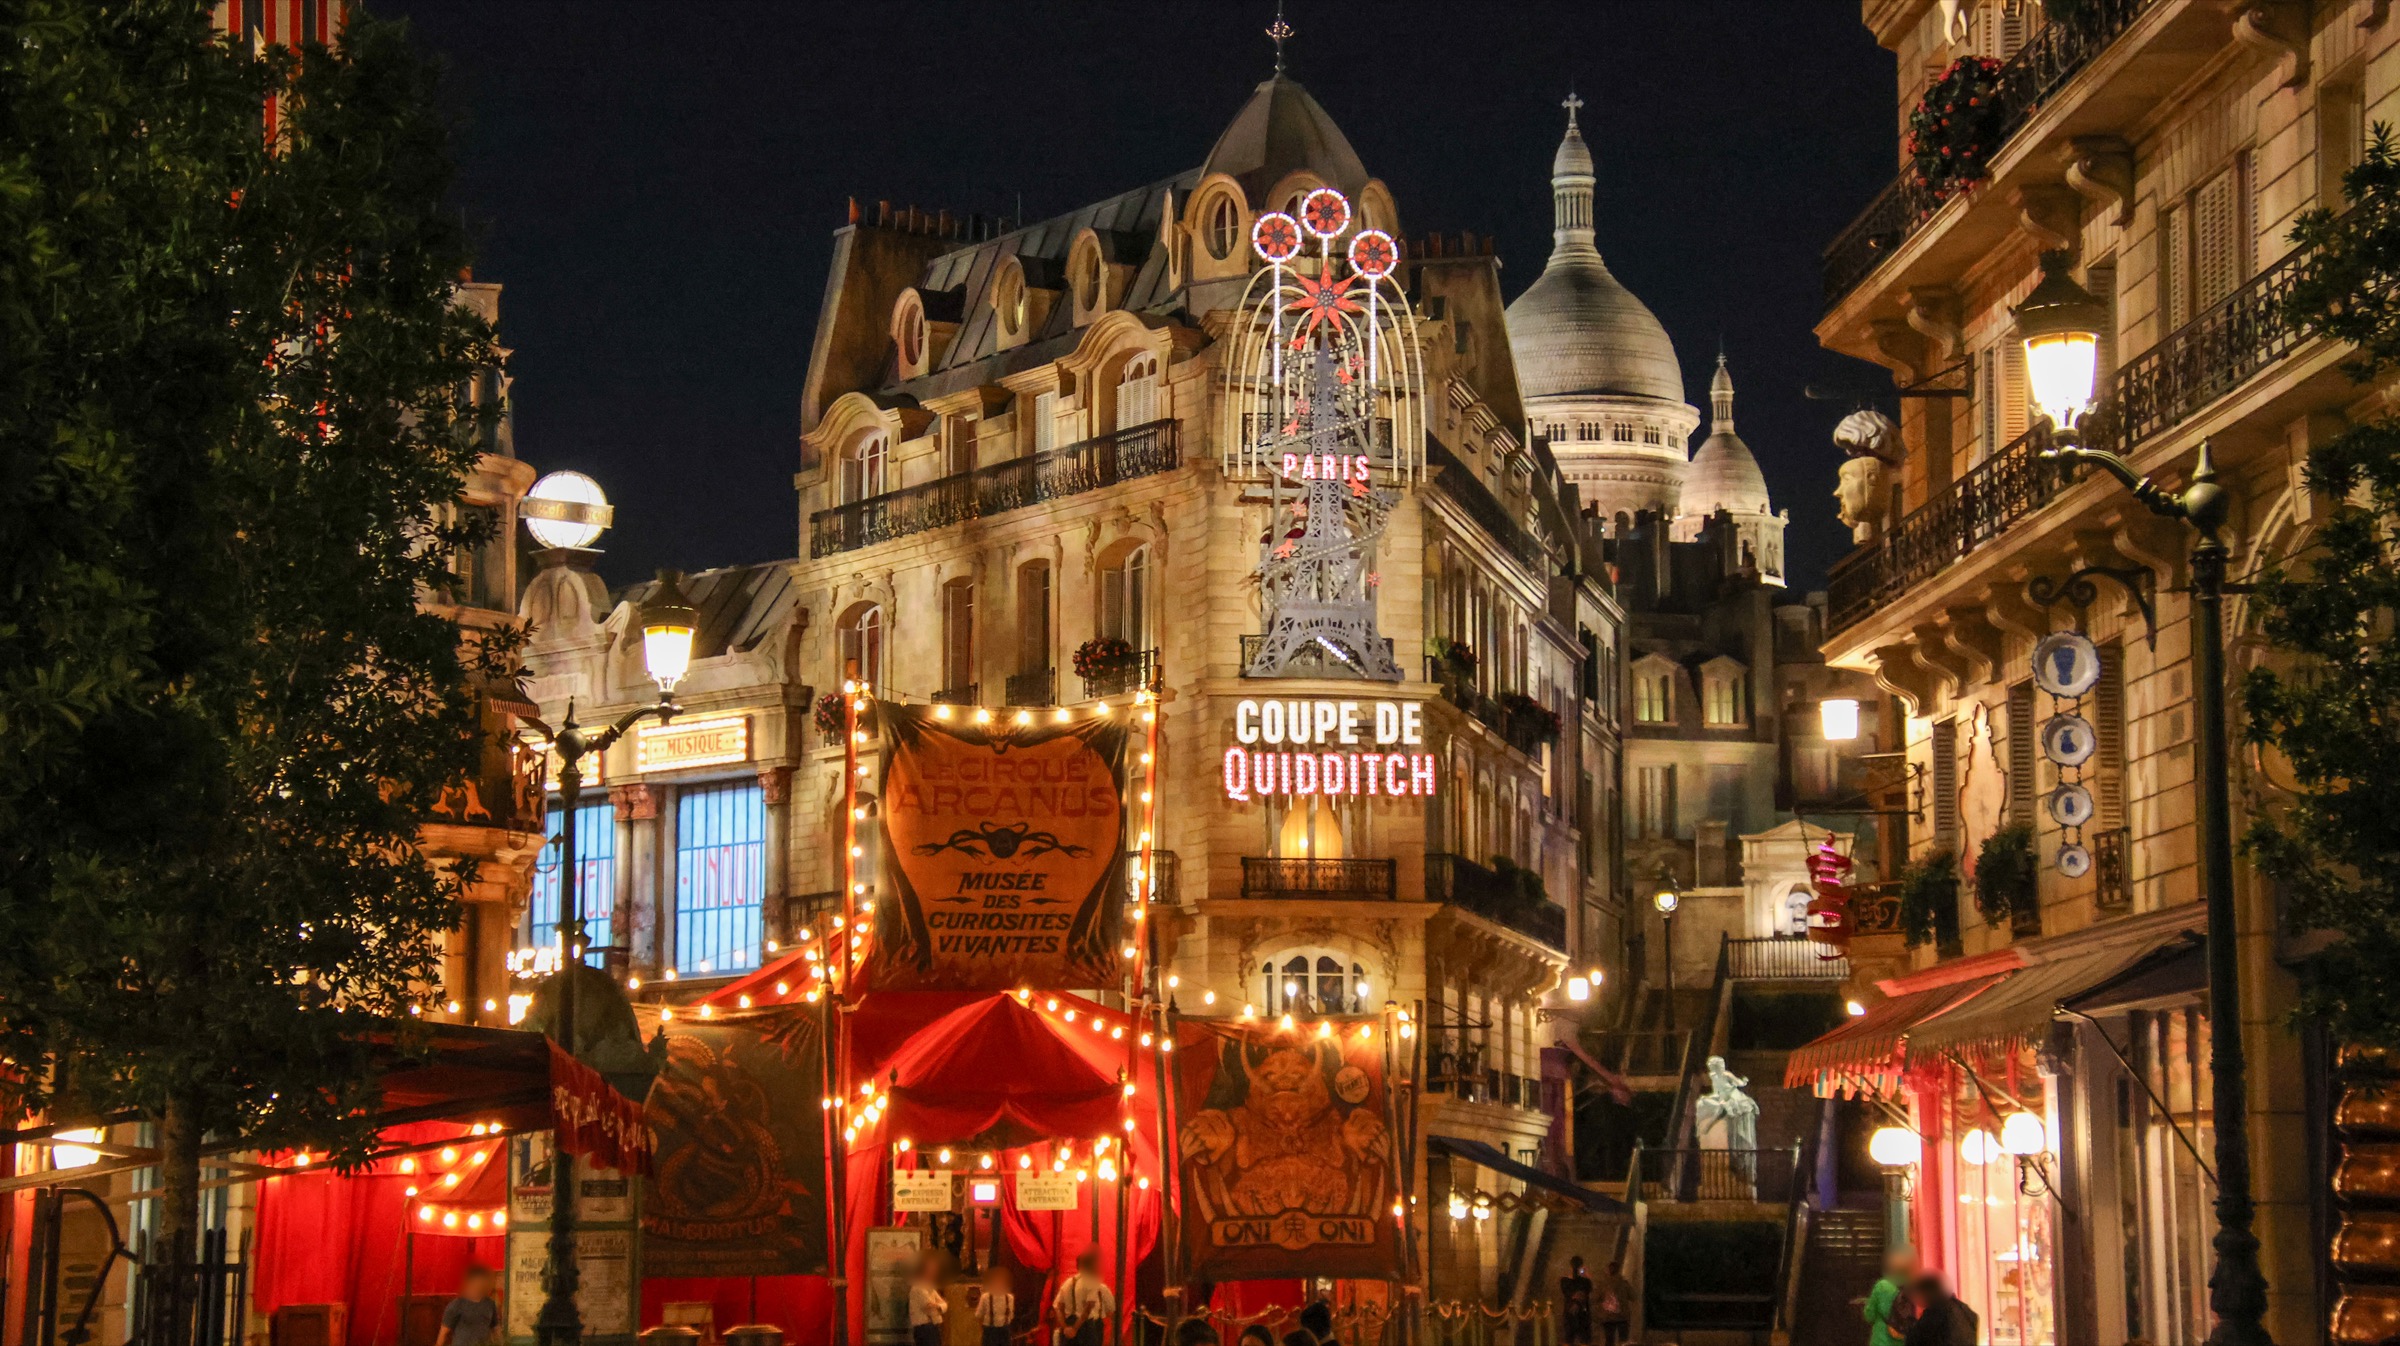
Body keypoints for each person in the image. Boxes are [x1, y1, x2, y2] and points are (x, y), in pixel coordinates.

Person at [1051, 1249, 1115, 1346]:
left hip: (1069, 1324)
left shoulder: (1067, 1283)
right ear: (1092, 1266)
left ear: (1078, 1266)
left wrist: (1065, 1328)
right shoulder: (1095, 1284)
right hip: (1088, 1328)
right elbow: (1088, 1309)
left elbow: (1058, 1307)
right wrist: (1075, 1329)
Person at [1902, 1273, 1978, 1346]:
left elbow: (1914, 1340)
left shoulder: (1936, 1311)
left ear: (1925, 1293)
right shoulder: (1965, 1310)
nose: (1915, 1301)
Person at [1863, 1248, 1916, 1346]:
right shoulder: (1912, 1287)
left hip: (1881, 1341)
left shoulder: (1882, 1286)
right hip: (1903, 1340)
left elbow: (1869, 1316)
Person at [434, 1266, 498, 1346]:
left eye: (483, 1280)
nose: (481, 1283)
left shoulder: (490, 1304)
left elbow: (495, 1329)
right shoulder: (457, 1304)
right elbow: (443, 1332)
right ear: (470, 1281)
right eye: (478, 1280)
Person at [910, 1254, 950, 1346]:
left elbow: (945, 1304)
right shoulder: (918, 1288)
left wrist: (939, 1306)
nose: (934, 1271)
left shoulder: (930, 1287)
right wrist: (938, 1307)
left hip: (933, 1327)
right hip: (924, 1329)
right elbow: (930, 1310)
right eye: (931, 1268)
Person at [1593, 1257, 1632, 1346]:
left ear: (1608, 1270)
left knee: (1609, 1340)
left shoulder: (1603, 1284)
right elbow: (1633, 1296)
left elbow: (1595, 1298)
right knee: (1623, 1341)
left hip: (1608, 1316)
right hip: (1622, 1316)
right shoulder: (1624, 1283)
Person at [975, 1264, 1015, 1346]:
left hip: (1004, 1330)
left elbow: (1011, 1315)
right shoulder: (985, 1297)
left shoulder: (1009, 1298)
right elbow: (979, 1315)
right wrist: (984, 1327)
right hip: (989, 1330)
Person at [1558, 1256, 1594, 1346]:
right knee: (1584, 1339)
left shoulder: (1564, 1281)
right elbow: (1587, 1292)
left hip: (1569, 1311)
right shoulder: (1586, 1282)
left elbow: (1566, 1292)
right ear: (1581, 1265)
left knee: (1568, 1338)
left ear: (1570, 1265)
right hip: (1583, 1312)